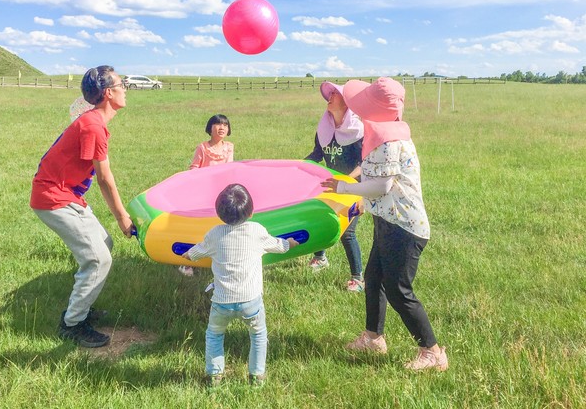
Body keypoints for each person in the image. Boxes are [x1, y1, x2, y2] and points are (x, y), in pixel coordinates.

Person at [321, 77, 448, 372]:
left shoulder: (389, 140)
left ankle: (432, 352)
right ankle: (373, 338)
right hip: (388, 221)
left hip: (403, 227)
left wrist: (343, 188)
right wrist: (356, 192)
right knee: (373, 278)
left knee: (398, 289)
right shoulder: (385, 133)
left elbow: (381, 186)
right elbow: (375, 176)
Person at [30, 65, 133, 348]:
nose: (125, 89)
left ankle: (82, 307)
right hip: (53, 198)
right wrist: (122, 217)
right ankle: (72, 324)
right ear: (108, 93)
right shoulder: (93, 126)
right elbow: (105, 179)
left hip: (67, 195)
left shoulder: (94, 122)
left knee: (104, 244)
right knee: (98, 259)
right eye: (121, 85)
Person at [182, 183, 299, 387]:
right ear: (251, 212)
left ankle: (214, 376)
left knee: (215, 335)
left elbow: (196, 252)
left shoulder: (214, 234)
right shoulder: (257, 231)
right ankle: (257, 376)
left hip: (222, 302)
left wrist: (186, 254)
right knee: (258, 335)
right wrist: (290, 242)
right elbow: (279, 246)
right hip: (251, 301)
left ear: (219, 213)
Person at [305, 81, 368, 292]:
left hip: (354, 189)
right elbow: (317, 155)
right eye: (329, 94)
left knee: (347, 232)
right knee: (322, 220)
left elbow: (365, 163)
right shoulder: (324, 129)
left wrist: (346, 181)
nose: (329, 97)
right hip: (332, 186)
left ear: (347, 103)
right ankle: (320, 257)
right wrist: (298, 166)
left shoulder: (358, 131)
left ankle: (358, 279)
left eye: (335, 94)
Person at [180, 114, 234, 276]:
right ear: (210, 128)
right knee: (198, 227)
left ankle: (219, 257)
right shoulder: (203, 148)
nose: (222, 127)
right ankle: (188, 262)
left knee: (221, 225)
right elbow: (194, 168)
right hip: (203, 194)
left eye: (225, 125)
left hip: (222, 194)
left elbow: (230, 169)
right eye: (217, 124)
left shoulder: (229, 147)